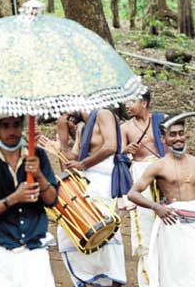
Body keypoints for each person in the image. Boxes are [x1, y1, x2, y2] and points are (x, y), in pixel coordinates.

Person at [128, 118, 195, 287]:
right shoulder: (158, 166)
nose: (178, 138)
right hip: (172, 224)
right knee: (174, 272)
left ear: (186, 135)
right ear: (164, 139)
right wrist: (156, 207)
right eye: (172, 134)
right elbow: (133, 193)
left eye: (180, 133)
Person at [0, 109, 58, 287]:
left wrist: (39, 174)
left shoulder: (38, 156)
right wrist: (14, 198)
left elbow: (52, 200)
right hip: (3, 246)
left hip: (35, 245)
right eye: (6, 125)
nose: (12, 131)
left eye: (17, 124)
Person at [60, 109, 127, 287]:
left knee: (103, 229)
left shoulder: (103, 113)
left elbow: (110, 146)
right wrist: (62, 136)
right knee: (74, 232)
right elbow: (69, 161)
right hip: (88, 181)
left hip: (103, 181)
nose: (66, 111)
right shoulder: (83, 126)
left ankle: (111, 280)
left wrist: (83, 164)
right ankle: (91, 281)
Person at [120, 90, 166, 287]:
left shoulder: (161, 120)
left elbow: (173, 146)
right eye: (126, 102)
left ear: (144, 102)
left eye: (132, 101)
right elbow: (119, 157)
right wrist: (126, 151)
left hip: (163, 174)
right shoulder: (125, 127)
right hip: (139, 175)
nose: (128, 105)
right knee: (144, 227)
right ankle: (148, 280)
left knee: (166, 223)